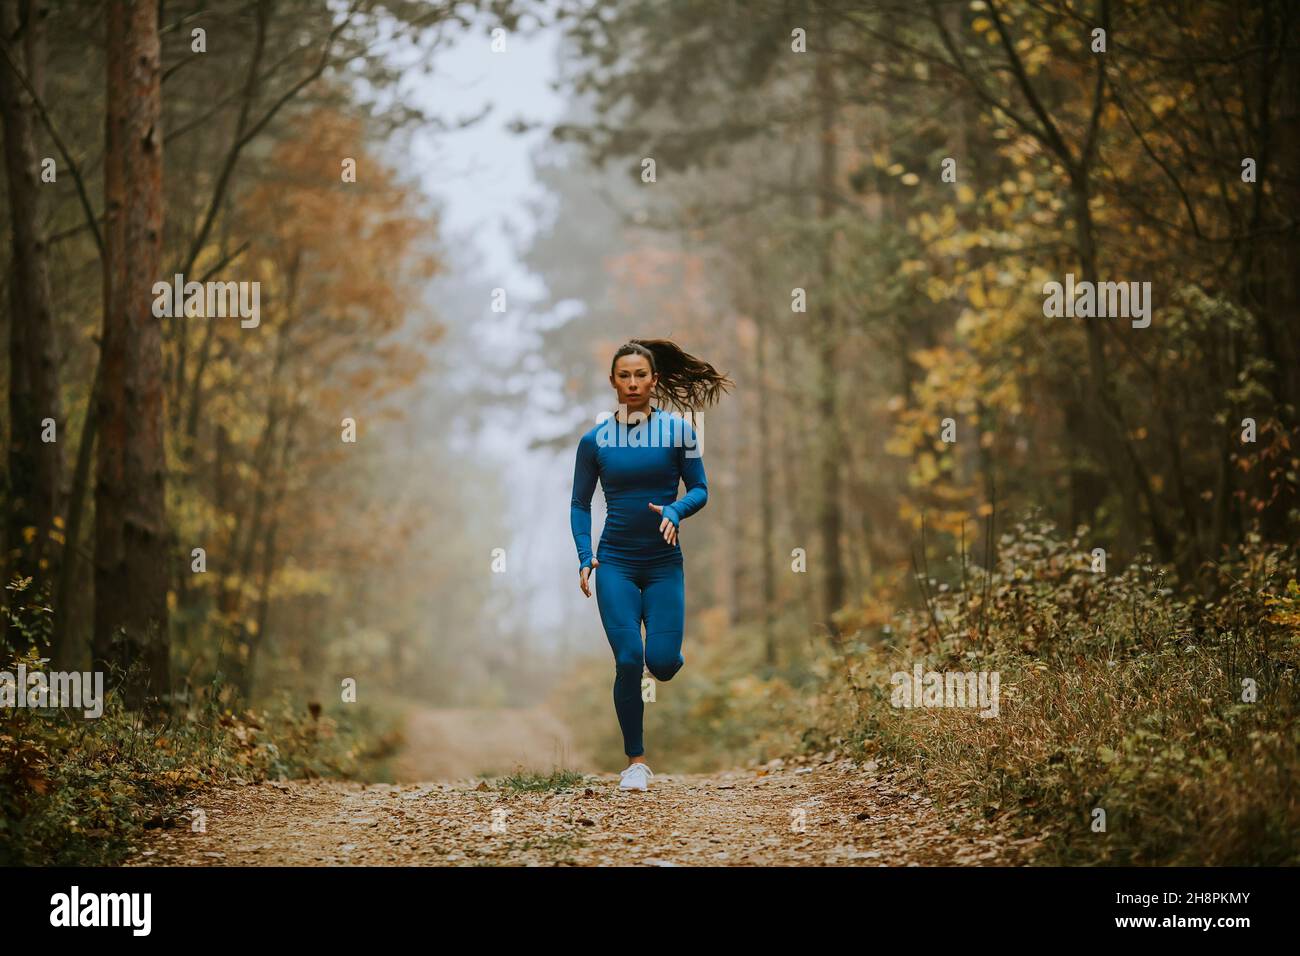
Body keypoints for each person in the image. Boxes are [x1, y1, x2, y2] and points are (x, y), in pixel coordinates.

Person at [569, 338, 732, 791]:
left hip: (663, 564)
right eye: (625, 375)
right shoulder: (594, 440)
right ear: (613, 382)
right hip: (616, 562)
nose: (634, 382)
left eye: (641, 375)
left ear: (654, 380)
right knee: (628, 660)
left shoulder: (680, 432)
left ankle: (667, 652)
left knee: (660, 664)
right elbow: (580, 504)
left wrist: (676, 511)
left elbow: (700, 489)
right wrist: (586, 557)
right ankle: (636, 762)